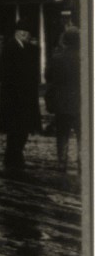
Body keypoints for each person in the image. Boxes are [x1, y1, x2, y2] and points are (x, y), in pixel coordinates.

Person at [0, 21, 42, 171]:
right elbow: (4, 73)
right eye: (25, 33)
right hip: (13, 98)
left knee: (24, 128)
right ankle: (13, 157)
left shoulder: (30, 48)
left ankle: (15, 155)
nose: (27, 36)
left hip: (27, 96)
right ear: (18, 33)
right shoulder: (9, 48)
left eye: (28, 34)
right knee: (14, 129)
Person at [45, 27, 80, 173]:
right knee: (82, 134)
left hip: (62, 101)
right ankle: (83, 163)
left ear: (64, 41)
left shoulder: (57, 57)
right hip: (81, 101)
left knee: (62, 133)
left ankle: (62, 162)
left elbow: (48, 77)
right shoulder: (88, 56)